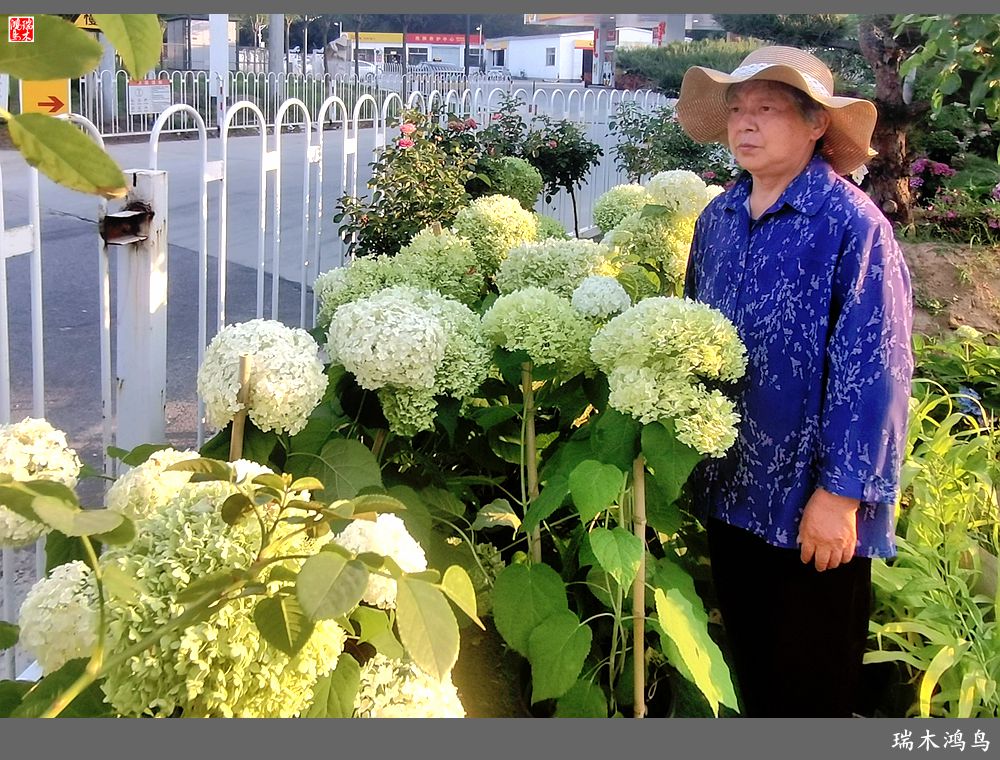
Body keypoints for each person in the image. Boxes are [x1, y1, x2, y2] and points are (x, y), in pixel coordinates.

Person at [676, 46, 914, 717]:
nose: (745, 125)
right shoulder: (717, 220)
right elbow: (693, 333)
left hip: (811, 508)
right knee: (753, 675)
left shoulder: (851, 224)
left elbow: (878, 369)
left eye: (768, 110)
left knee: (810, 692)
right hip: (731, 491)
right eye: (739, 111)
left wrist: (841, 496)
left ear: (815, 125)